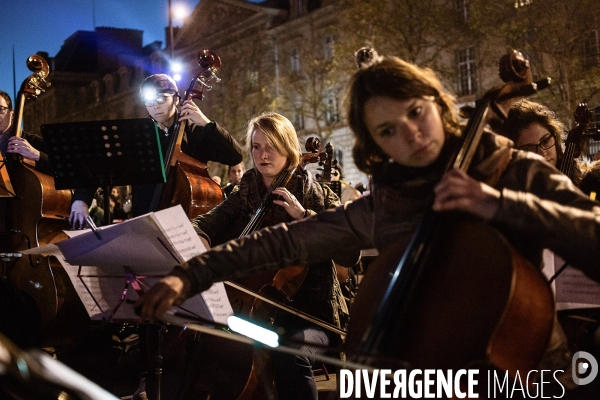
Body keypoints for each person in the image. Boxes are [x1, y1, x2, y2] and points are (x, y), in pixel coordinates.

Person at [137, 52, 600, 397]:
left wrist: (500, 205)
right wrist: (189, 274)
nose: (412, 136)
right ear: (377, 148)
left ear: (437, 103)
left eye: (415, 113)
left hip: (529, 375)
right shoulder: (392, 202)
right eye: (388, 131)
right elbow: (285, 242)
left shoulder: (513, 171)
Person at [177, 112, 348, 400]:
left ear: (289, 149)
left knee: (288, 351)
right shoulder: (246, 190)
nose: (262, 155)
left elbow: (350, 251)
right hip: (254, 309)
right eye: (256, 147)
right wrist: (200, 238)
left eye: (272, 147)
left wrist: (304, 216)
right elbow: (208, 221)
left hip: (313, 315)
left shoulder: (316, 195)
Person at [69, 74, 243, 227]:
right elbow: (102, 164)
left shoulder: (195, 132)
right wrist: (81, 199)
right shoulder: (138, 134)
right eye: (149, 101)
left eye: (161, 99)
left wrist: (207, 123)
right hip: (145, 218)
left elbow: (234, 155)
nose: (154, 106)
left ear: (176, 99)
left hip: (186, 223)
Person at [500, 99, 583, 185]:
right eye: (529, 148)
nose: (542, 153)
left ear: (555, 137)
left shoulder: (585, 182)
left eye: (545, 140)